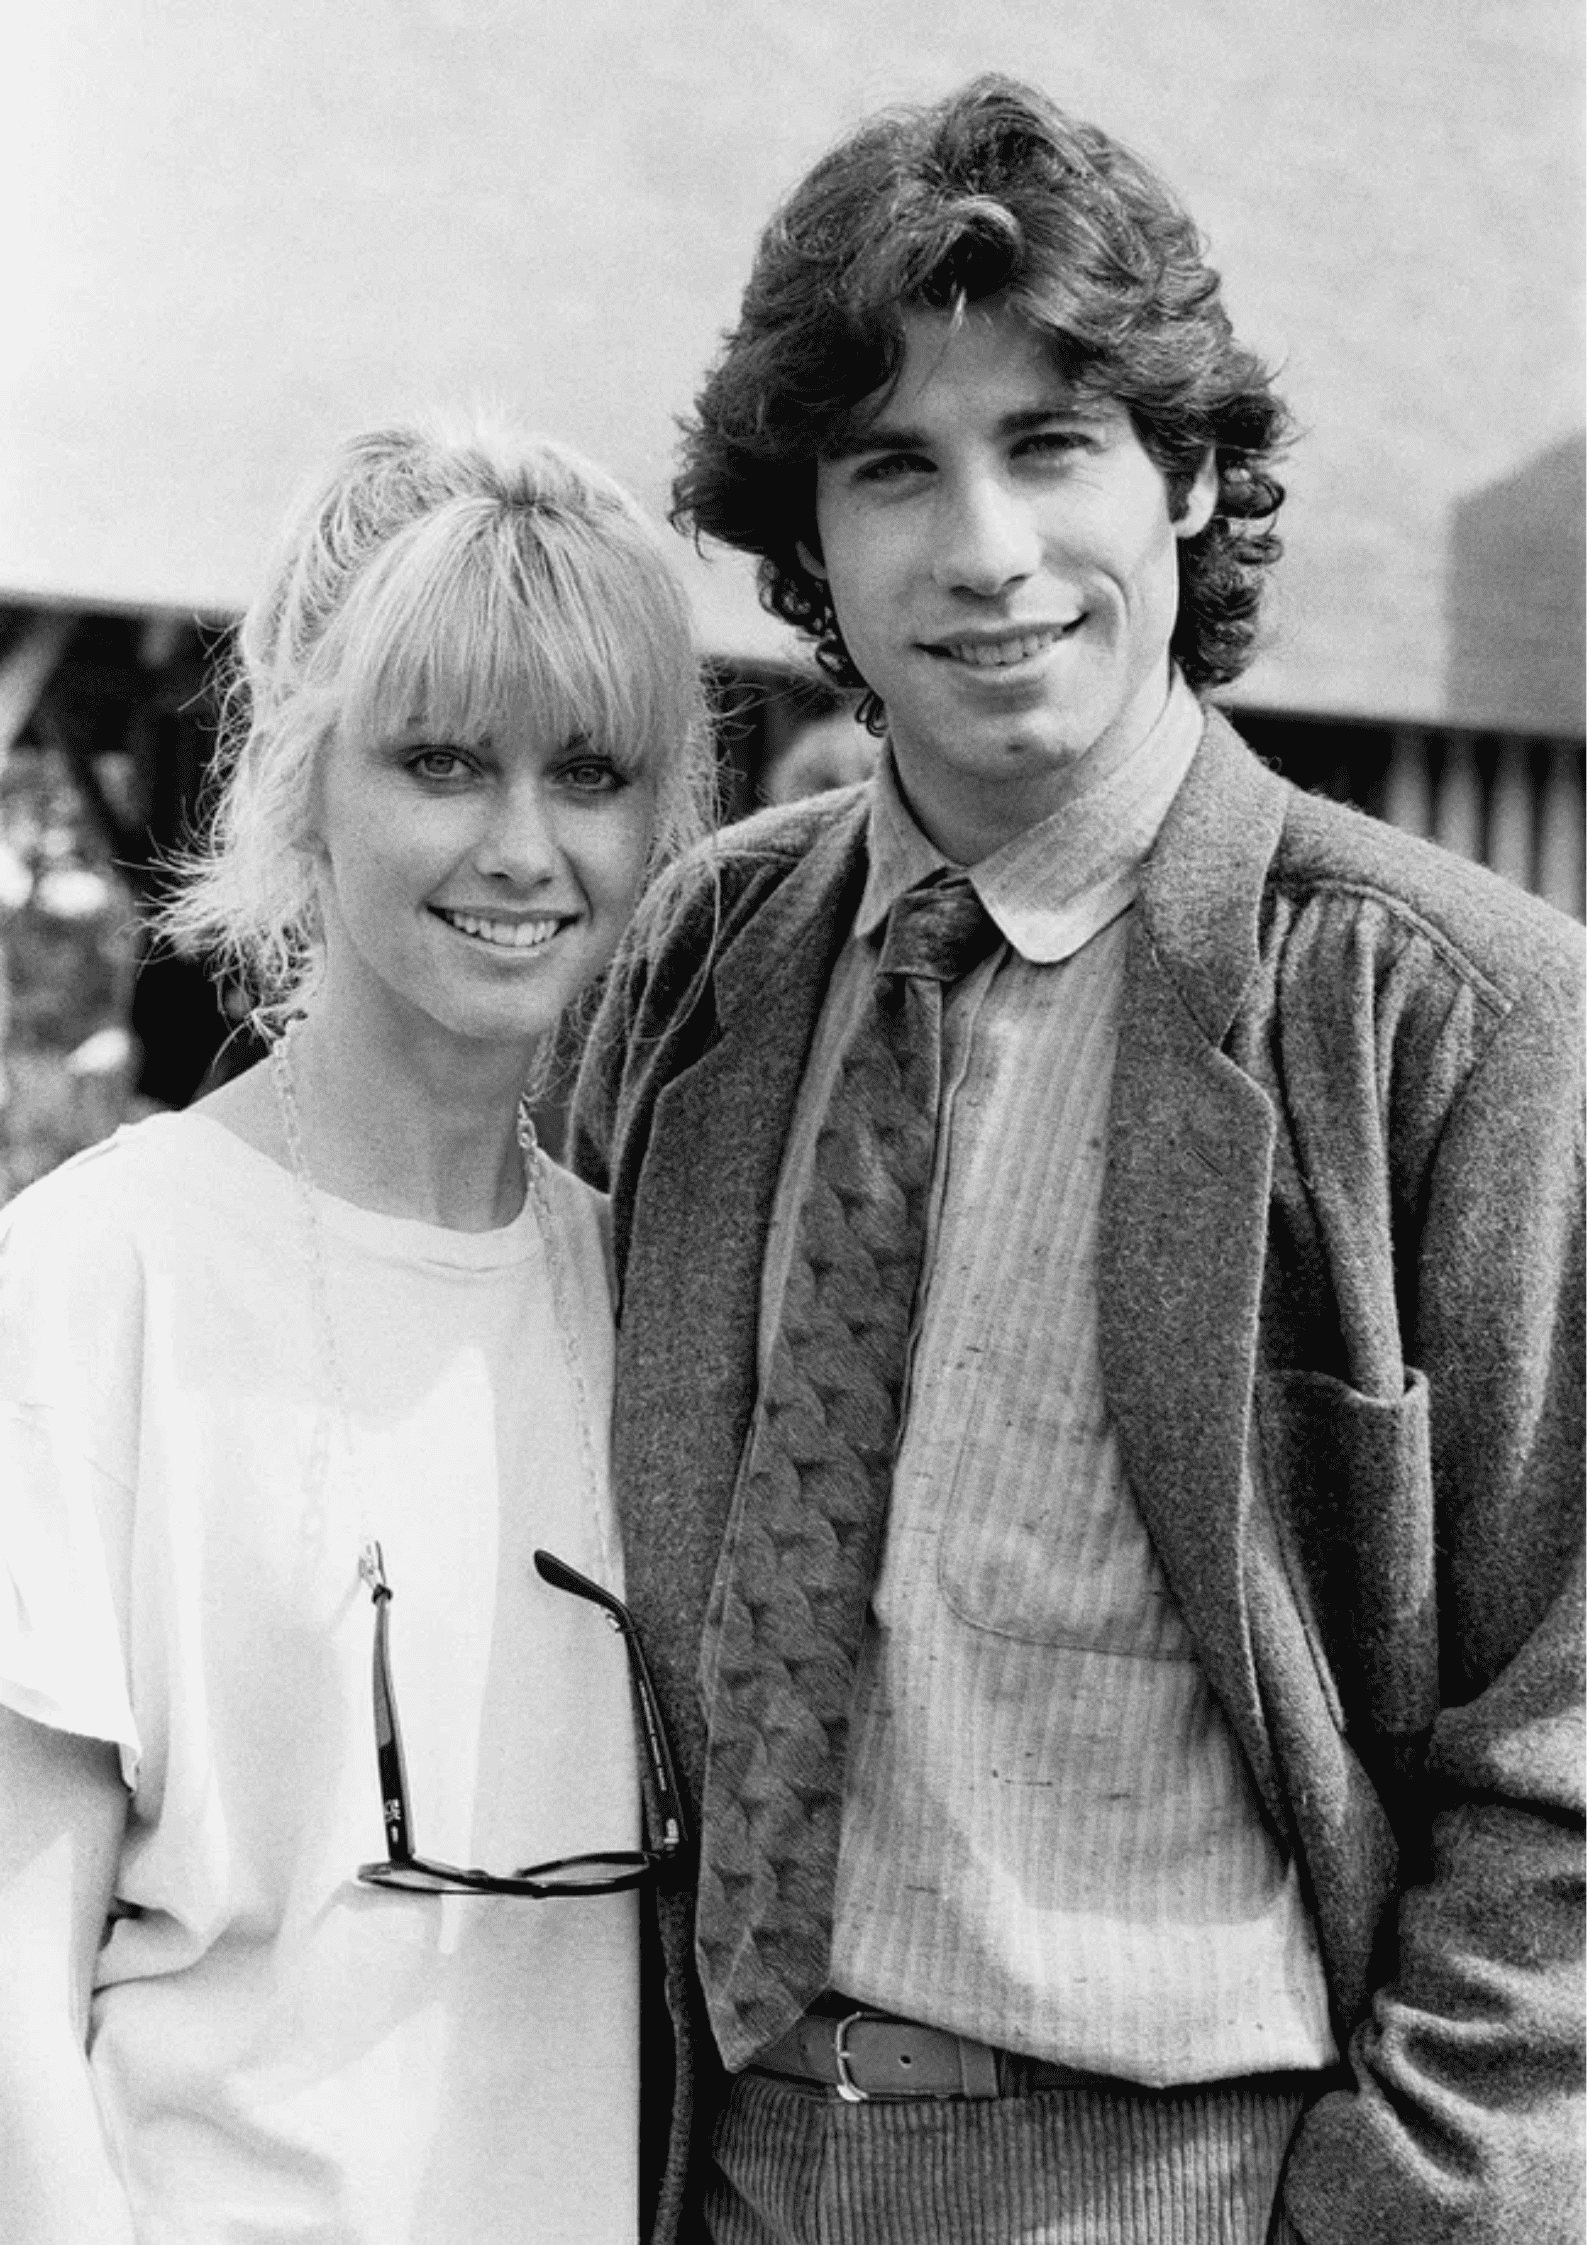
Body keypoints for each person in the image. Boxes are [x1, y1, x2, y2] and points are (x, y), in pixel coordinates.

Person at [572, 76, 1585, 2245]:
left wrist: (1396, 2217)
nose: (984, 550)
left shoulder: (1450, 1018)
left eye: (1050, 446)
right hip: (707, 2166)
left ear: (1191, 478)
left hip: (1197, 2181)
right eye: (891, 470)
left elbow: (1567, 1737)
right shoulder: (701, 964)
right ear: (805, 545)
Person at [0, 415, 710, 2243]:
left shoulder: (662, 1302)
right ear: (307, 776)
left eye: (592, 771)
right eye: (443, 762)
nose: (523, 847)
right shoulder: (98, 1284)